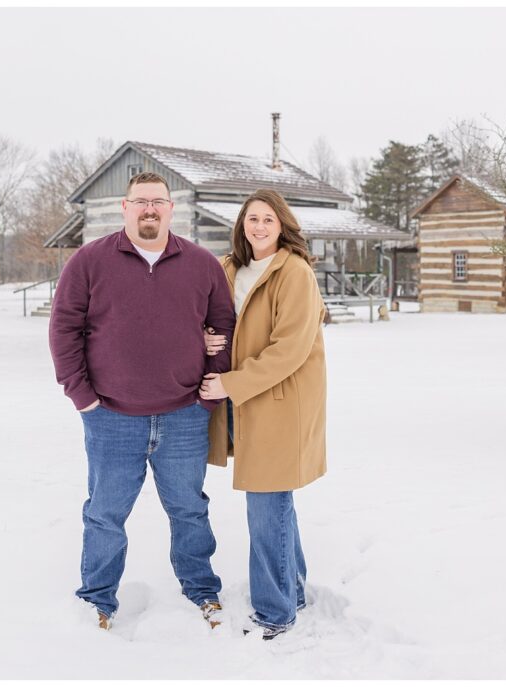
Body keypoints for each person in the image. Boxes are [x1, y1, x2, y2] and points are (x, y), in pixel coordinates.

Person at [49, 172, 236, 631]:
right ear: (125, 208)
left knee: (190, 509)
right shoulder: (90, 261)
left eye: (158, 201)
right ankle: (96, 599)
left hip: (184, 415)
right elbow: (63, 329)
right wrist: (83, 397)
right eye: (140, 202)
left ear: (172, 209)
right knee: (105, 514)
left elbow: (225, 327)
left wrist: (209, 394)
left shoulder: (201, 264)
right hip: (111, 416)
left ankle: (201, 590)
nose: (149, 209)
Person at [199, 189, 327, 640]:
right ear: (241, 225)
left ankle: (275, 612)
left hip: (276, 401)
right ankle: (291, 591)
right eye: (251, 218)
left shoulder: (294, 273)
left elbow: (289, 350)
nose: (258, 226)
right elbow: (208, 320)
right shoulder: (228, 268)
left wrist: (230, 384)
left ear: (282, 225)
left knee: (265, 502)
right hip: (243, 402)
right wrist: (207, 339)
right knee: (275, 502)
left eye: (267, 219)